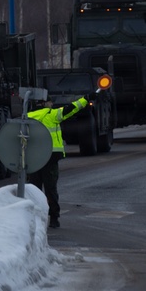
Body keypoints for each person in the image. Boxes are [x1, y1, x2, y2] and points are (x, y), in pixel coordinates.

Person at [27, 94, 89, 228]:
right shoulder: (52, 114)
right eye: (50, 102)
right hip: (51, 156)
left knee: (33, 189)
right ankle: (54, 218)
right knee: (51, 189)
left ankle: (35, 218)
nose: (51, 104)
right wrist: (86, 99)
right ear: (44, 103)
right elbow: (72, 108)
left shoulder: (27, 117)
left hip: (33, 158)